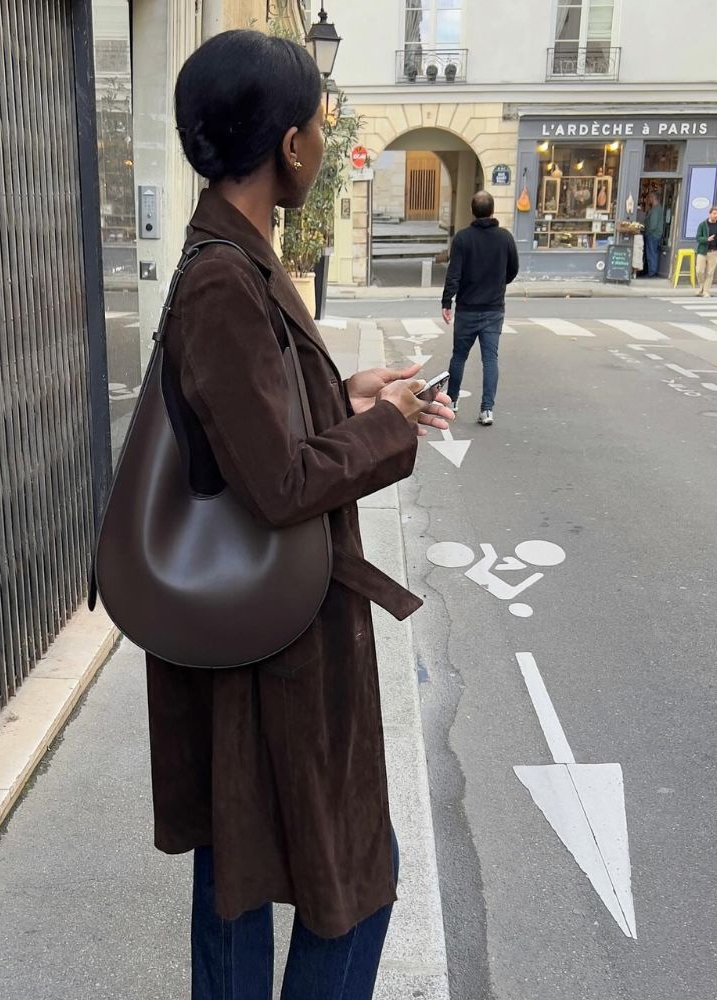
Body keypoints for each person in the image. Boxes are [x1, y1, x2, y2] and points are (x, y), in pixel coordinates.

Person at [149, 30, 454, 1000]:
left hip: (259, 628)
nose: (323, 143)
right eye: (319, 125)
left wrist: (351, 396)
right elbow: (276, 483)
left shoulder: (233, 261)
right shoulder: (222, 281)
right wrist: (385, 430)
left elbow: (251, 427)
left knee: (241, 873)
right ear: (288, 145)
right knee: (354, 876)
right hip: (273, 644)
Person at [441, 191, 519, 426]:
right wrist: (497, 283)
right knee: (490, 360)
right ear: (492, 210)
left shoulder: (463, 239)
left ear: (472, 211)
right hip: (494, 309)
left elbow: (454, 273)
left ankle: (452, 401)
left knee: (459, 356)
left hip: (467, 309)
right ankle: (487, 410)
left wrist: (447, 302)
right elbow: (513, 269)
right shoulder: (505, 237)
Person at [695, 206, 717, 297]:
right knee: (699, 271)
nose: (716, 216)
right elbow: (698, 238)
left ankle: (706, 291)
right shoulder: (702, 225)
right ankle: (701, 287)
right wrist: (706, 239)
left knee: (710, 273)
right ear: (710, 214)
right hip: (703, 251)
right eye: (714, 214)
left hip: (714, 252)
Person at [643, 192, 665, 277]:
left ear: (653, 198)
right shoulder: (656, 208)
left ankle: (651, 272)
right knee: (653, 253)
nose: (649, 200)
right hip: (654, 235)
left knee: (651, 253)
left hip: (653, 235)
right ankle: (651, 271)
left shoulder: (656, 210)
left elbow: (653, 225)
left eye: (650, 198)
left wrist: (646, 231)